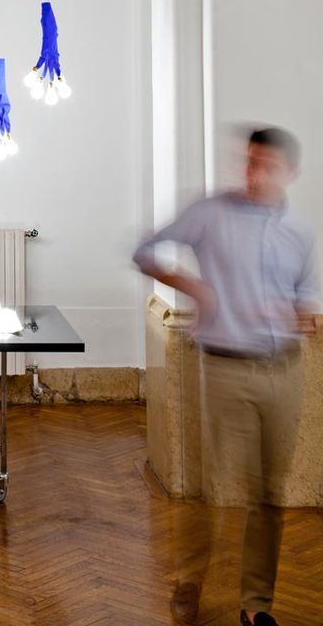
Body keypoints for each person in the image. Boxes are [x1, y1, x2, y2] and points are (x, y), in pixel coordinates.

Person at [133, 127, 320, 626]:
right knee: (213, 490)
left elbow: (306, 294)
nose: (253, 173)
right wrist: (187, 282)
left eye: (266, 165)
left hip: (284, 370)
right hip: (224, 369)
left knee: (268, 495)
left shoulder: (300, 231)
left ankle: (256, 605)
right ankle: (190, 580)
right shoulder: (211, 212)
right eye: (249, 162)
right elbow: (146, 250)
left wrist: (305, 312)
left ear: (289, 173)